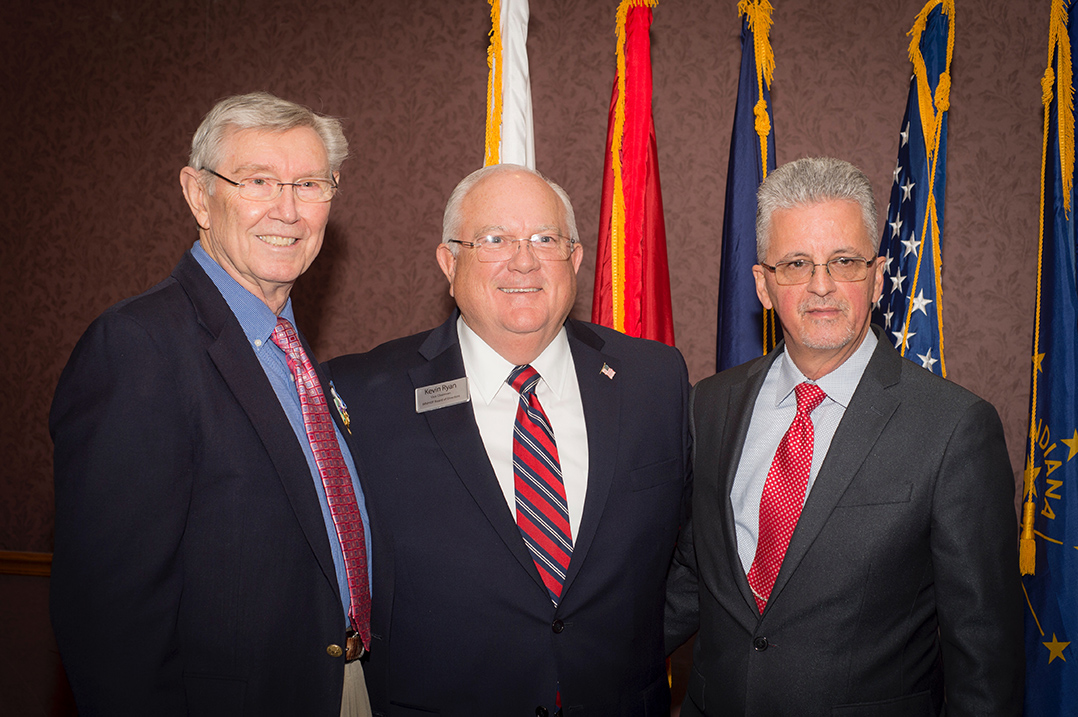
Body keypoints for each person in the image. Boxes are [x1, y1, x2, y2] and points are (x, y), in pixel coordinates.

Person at [50, 91, 374, 717]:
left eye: (310, 184)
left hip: (340, 686)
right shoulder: (139, 346)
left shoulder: (295, 351)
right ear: (199, 195)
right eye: (258, 181)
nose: (288, 210)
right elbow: (111, 619)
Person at [665, 157, 1023, 716]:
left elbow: (983, 654)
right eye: (796, 264)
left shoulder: (955, 429)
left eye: (844, 262)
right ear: (764, 285)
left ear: (878, 277)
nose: (822, 286)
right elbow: (694, 573)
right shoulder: (709, 405)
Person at [327, 164, 691, 716]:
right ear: (449, 263)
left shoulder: (654, 380)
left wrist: (618, 651)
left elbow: (694, 551)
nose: (524, 260)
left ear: (575, 259)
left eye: (545, 239)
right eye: (494, 240)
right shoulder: (361, 395)